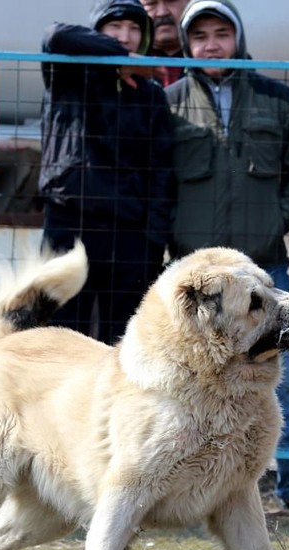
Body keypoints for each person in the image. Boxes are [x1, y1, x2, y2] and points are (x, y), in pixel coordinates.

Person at [166, 0, 289, 517]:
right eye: (201, 36)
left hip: (265, 268)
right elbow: (156, 177)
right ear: (188, 43)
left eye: (221, 32)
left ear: (237, 37)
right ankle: (191, 484)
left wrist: (279, 217)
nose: (211, 43)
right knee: (187, 378)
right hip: (199, 280)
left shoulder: (276, 99)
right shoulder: (169, 102)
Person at [39, 0, 174, 345]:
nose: (125, 37)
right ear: (97, 32)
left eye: (133, 30)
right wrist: (118, 58)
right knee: (61, 333)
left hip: (128, 232)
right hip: (70, 221)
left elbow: (160, 172)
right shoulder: (67, 74)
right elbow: (55, 35)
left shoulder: (152, 95)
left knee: (124, 340)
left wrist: (153, 242)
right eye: (114, 28)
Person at [141, 0, 188, 86]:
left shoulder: (211, 56)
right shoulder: (124, 59)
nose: (162, 13)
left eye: (171, 1)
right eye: (151, 4)